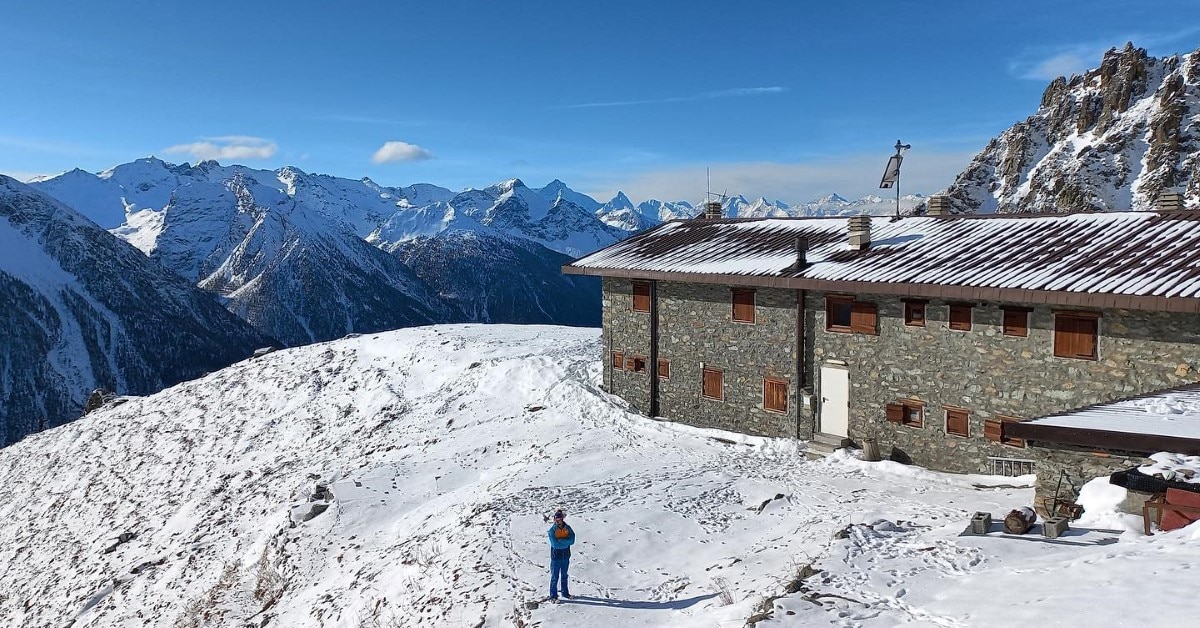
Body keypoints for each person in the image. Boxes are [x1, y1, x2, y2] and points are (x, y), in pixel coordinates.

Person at [546, 509, 575, 601]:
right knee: (555, 576)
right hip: (556, 556)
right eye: (556, 520)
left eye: (560, 519)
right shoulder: (552, 531)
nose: (558, 521)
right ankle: (553, 595)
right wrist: (566, 542)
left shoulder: (568, 528)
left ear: (562, 519)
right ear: (554, 520)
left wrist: (561, 541)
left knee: (564, 575)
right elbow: (555, 545)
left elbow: (572, 541)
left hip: (565, 555)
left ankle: (565, 593)